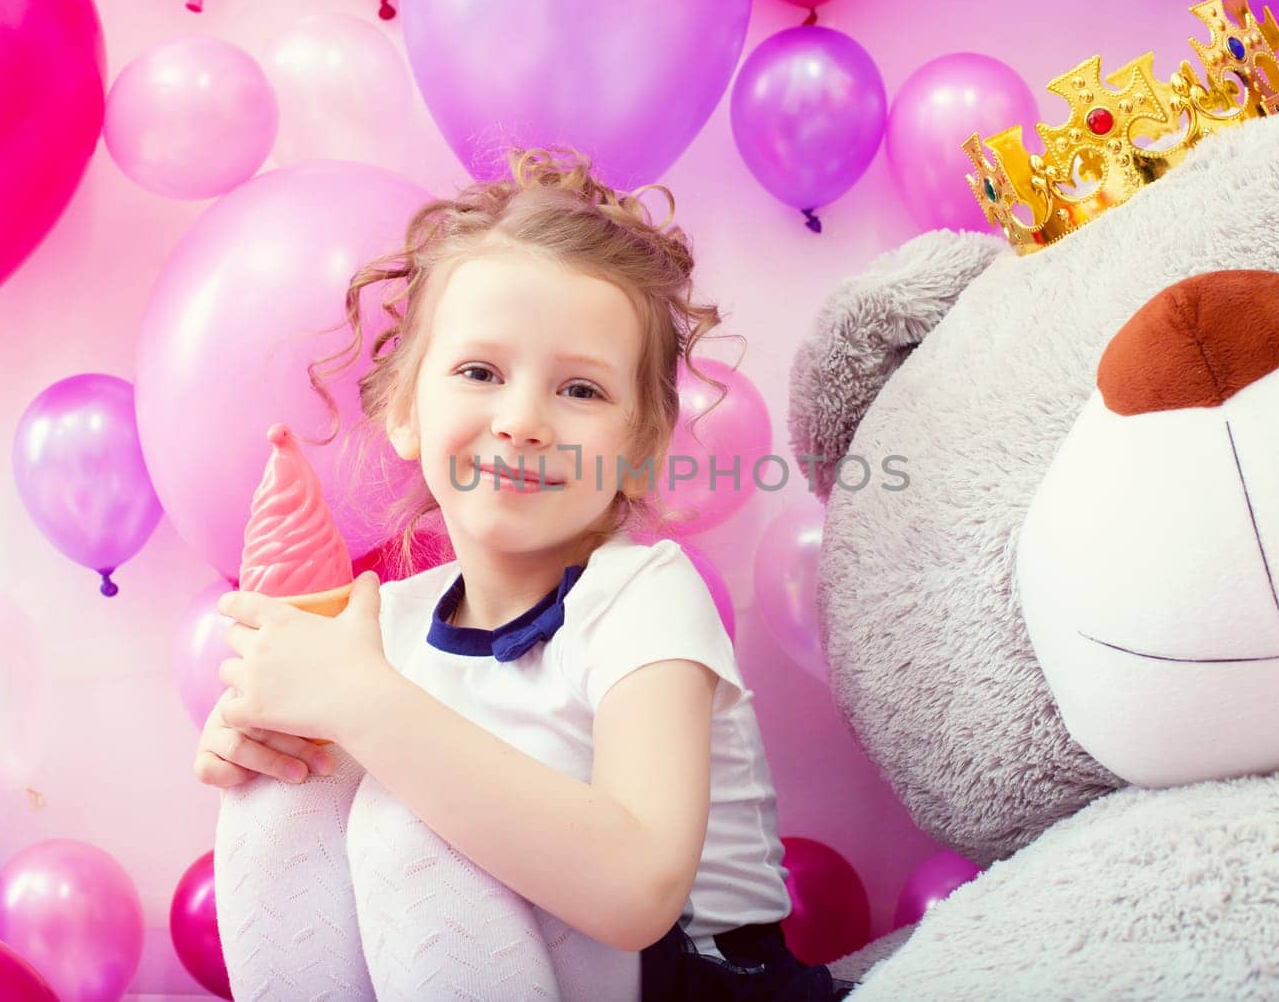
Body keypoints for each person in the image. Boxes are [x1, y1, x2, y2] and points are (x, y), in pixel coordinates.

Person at [193, 146, 859, 1000]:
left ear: (640, 448)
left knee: (412, 828)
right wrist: (260, 743)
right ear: (404, 408)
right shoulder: (383, 623)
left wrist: (361, 699)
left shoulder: (643, 595)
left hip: (689, 979)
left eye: (579, 390)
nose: (522, 421)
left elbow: (637, 892)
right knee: (281, 799)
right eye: (479, 372)